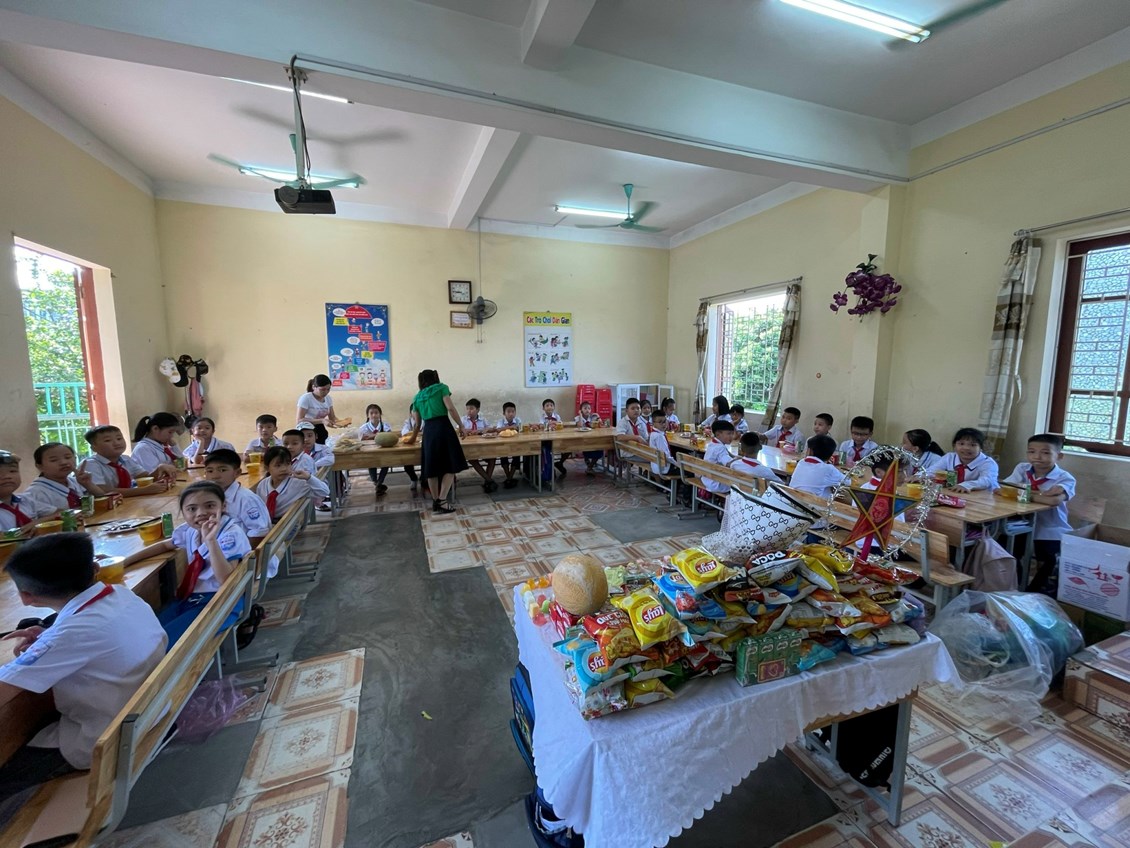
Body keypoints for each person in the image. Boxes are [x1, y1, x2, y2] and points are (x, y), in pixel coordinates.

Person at [0, 534, 166, 825]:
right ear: (95, 569)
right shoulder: (120, 595)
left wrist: (49, 643)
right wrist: (48, 637)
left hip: (106, 740)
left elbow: (5, 690)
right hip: (151, 710)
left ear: (26, 597)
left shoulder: (70, 634)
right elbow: (82, 634)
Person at [123, 480, 248, 644]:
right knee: (148, 635)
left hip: (221, 600)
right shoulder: (190, 530)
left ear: (223, 506)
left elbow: (226, 580)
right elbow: (165, 545)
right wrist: (125, 562)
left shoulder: (230, 534)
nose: (201, 513)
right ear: (183, 512)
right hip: (191, 597)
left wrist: (211, 541)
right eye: (192, 509)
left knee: (162, 644)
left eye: (210, 506)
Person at [1000, 434, 1076, 592]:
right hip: (1021, 523)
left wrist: (1023, 493)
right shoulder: (1023, 468)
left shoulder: (1065, 478)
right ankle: (1015, 586)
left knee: (1048, 561)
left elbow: (1054, 501)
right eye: (1031, 451)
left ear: (1059, 456)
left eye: (1046, 453)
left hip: (1050, 528)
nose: (1037, 457)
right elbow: (1004, 489)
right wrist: (1040, 496)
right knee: (1007, 548)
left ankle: (1035, 592)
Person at [404, 370, 467, 514]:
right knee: (451, 464)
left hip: (429, 432)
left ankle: (435, 501)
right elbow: (450, 408)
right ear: (435, 378)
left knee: (431, 467)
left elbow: (417, 424)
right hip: (444, 428)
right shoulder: (442, 388)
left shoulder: (417, 397)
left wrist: (412, 439)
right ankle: (442, 500)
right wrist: (461, 426)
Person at [18, 443, 109, 518]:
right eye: (54, 460)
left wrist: (88, 484)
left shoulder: (75, 481)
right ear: (39, 466)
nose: (63, 462)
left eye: (68, 457)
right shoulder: (35, 493)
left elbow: (103, 499)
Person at [79, 425, 175, 496]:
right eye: (108, 440)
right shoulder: (90, 464)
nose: (116, 443)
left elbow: (146, 477)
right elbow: (103, 491)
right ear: (94, 448)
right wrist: (143, 490)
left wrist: (160, 469)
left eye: (119, 438)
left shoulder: (125, 459)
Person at [202, 450, 271, 546]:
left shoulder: (246, 499)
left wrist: (238, 552)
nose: (215, 476)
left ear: (237, 473)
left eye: (222, 470)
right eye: (210, 471)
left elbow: (259, 534)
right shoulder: (210, 497)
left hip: (243, 551)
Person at [255, 446, 330, 521]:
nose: (284, 469)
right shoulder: (262, 485)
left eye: (288, 464)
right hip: (265, 521)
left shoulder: (297, 483)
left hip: (286, 523)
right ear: (267, 468)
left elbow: (324, 492)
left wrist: (309, 478)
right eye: (278, 465)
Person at [939, 428, 999, 492]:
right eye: (961, 444)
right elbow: (932, 472)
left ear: (981, 448)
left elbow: (986, 481)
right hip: (956, 494)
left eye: (973, 445)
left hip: (985, 496)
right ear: (954, 446)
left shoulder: (988, 463)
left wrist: (966, 485)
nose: (966, 448)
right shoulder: (949, 457)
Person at [789, 435, 847, 499]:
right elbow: (848, 482)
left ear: (810, 451)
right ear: (830, 456)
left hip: (793, 501)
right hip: (811, 504)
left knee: (826, 488)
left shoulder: (801, 462)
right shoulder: (828, 469)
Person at [463, 398, 498, 492]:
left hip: (483, 447)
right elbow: (459, 430)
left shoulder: (483, 420)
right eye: (467, 409)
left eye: (471, 409)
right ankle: (489, 480)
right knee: (472, 459)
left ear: (478, 410)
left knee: (492, 457)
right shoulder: (463, 420)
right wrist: (470, 431)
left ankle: (487, 482)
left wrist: (483, 430)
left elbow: (490, 429)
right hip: (470, 447)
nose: (469, 411)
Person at [359, 403, 393, 496]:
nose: (374, 415)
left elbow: (389, 436)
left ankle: (379, 483)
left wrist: (371, 436)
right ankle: (376, 482)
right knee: (371, 464)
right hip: (370, 453)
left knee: (386, 464)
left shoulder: (385, 425)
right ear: (368, 415)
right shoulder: (364, 427)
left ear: (380, 414)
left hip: (383, 452)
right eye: (371, 413)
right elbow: (362, 438)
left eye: (376, 413)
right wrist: (378, 435)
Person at [296, 374, 339, 443]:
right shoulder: (306, 398)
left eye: (328, 389)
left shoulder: (328, 398)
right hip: (306, 429)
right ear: (314, 387)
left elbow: (332, 417)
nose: (326, 392)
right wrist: (322, 420)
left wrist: (340, 422)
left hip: (320, 429)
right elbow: (299, 420)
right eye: (322, 389)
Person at [699, 419, 737, 495]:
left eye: (732, 434)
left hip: (706, 479)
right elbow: (728, 463)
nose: (731, 436)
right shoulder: (720, 448)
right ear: (718, 434)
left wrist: (734, 457)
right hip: (717, 484)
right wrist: (738, 460)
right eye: (729, 433)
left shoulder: (712, 443)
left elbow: (726, 454)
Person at [0, 451, 33, 533]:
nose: (7, 476)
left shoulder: (26, 500)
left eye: (12, 471)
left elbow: (60, 513)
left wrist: (36, 523)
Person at [497, 402, 523, 488]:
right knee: (503, 456)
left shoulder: (518, 420)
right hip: (503, 445)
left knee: (517, 456)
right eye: (508, 411)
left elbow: (520, 429)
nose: (511, 414)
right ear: (504, 413)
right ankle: (508, 477)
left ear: (515, 412)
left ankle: (510, 477)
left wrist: (516, 428)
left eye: (513, 411)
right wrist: (511, 427)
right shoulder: (501, 421)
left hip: (516, 444)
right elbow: (498, 430)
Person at [400, 407, 425, 496]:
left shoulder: (425, 421)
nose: (417, 413)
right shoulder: (408, 422)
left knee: (425, 462)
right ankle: (413, 478)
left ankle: (423, 478)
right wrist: (416, 433)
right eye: (414, 412)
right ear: (410, 414)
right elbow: (404, 432)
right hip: (410, 447)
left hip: (422, 446)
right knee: (407, 463)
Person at [540, 399, 566, 481]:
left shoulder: (557, 416)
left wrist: (554, 424)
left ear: (554, 407)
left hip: (557, 438)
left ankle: (559, 463)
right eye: (547, 406)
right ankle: (549, 470)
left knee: (567, 448)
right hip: (546, 439)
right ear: (543, 408)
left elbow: (560, 424)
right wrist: (551, 424)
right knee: (547, 451)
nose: (549, 407)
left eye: (551, 405)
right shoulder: (542, 417)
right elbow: (541, 426)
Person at [575, 400, 603, 476]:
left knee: (600, 450)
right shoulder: (578, 418)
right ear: (581, 410)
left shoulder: (593, 417)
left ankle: (590, 466)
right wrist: (580, 415)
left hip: (593, 439)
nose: (587, 410)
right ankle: (589, 465)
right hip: (583, 440)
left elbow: (601, 425)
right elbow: (580, 425)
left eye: (589, 408)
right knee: (587, 451)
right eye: (585, 408)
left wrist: (598, 417)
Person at [647, 409, 675, 475]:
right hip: (663, 468)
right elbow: (666, 456)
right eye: (660, 422)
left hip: (656, 465)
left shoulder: (653, 433)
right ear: (653, 423)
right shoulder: (659, 436)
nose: (663, 424)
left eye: (665, 421)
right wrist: (677, 463)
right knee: (688, 471)